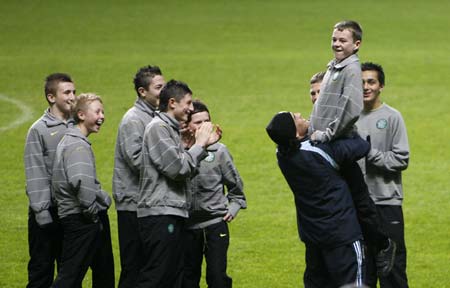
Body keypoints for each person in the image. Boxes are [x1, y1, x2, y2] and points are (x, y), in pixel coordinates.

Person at [308, 20, 396, 274]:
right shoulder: (334, 67)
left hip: (339, 143)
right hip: (328, 143)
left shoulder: (351, 69)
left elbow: (351, 108)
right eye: (334, 39)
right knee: (351, 197)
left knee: (357, 199)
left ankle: (381, 244)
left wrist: (326, 134)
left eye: (342, 40)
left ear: (356, 45)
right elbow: (324, 106)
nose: (336, 43)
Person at [266, 111, 367, 287]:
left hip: (313, 236)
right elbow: (361, 147)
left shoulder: (282, 155)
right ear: (296, 133)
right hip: (341, 234)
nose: (299, 114)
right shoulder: (319, 151)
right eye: (295, 117)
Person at [136, 80, 221, 288]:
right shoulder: (158, 128)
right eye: (188, 103)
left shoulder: (170, 129)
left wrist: (195, 147)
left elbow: (183, 167)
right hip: (160, 214)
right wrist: (199, 145)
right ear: (172, 103)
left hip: (170, 212)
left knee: (171, 277)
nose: (191, 109)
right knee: (157, 276)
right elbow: (178, 169)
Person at [181, 100, 247, 288]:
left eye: (207, 121)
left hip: (215, 225)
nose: (204, 127)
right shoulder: (179, 153)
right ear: (187, 126)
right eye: (198, 122)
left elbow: (236, 188)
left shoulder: (219, 151)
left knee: (217, 278)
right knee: (187, 280)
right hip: (186, 228)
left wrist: (233, 208)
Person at [51, 93, 114, 288]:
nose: (102, 116)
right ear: (80, 114)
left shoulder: (71, 140)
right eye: (97, 112)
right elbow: (81, 182)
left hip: (77, 217)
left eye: (102, 111)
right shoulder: (77, 145)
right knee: (70, 277)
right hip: (81, 219)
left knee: (97, 271)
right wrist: (92, 213)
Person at [356, 62, 410, 288]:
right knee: (363, 269)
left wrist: (370, 153)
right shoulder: (350, 118)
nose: (366, 87)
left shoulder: (392, 117)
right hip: (357, 203)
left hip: (387, 202)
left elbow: (401, 159)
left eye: (371, 81)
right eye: (361, 83)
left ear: (381, 86)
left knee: (392, 270)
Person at [112, 65, 165, 288]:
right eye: (159, 87)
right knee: (134, 267)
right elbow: (136, 161)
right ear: (143, 92)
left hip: (145, 203)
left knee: (149, 267)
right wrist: (172, 163)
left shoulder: (154, 116)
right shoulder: (133, 120)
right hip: (132, 206)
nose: (165, 92)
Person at [24, 73, 76, 288]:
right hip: (47, 213)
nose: (73, 97)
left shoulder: (76, 124)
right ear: (51, 97)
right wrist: (42, 211)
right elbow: (35, 171)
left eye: (74, 91)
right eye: (67, 92)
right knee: (41, 273)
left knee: (70, 274)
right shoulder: (39, 130)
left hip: (70, 211)